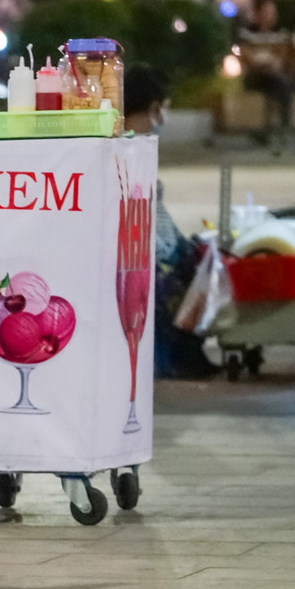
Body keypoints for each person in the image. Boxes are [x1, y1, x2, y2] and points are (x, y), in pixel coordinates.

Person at [123, 65, 217, 380]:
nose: (161, 121)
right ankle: (175, 357)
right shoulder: (122, 155)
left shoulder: (134, 152)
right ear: (150, 109)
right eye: (160, 110)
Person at [238, 0, 295, 143]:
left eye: (272, 12)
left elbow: (282, 57)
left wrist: (270, 63)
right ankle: (283, 126)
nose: (268, 16)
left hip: (274, 76)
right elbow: (248, 57)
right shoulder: (247, 34)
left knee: (277, 84)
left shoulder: (281, 34)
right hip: (255, 77)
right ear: (258, 13)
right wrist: (264, 63)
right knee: (281, 83)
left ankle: (272, 129)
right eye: (265, 12)